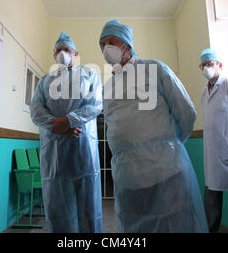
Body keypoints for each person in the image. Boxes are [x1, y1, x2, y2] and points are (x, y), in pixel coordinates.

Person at [99, 20, 208, 233]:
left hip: (165, 169)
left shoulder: (154, 69)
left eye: (112, 41)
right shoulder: (109, 86)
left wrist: (168, 145)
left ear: (127, 45)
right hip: (127, 174)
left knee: (174, 225)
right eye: (102, 44)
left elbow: (186, 112)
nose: (106, 48)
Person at [31, 31, 103, 233]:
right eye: (59, 50)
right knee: (57, 206)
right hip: (54, 153)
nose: (63, 53)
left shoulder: (90, 75)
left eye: (67, 50)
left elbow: (96, 105)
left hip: (83, 150)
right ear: (54, 55)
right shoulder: (45, 81)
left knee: (88, 207)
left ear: (75, 53)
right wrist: (61, 128)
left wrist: (69, 120)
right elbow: (36, 112)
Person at [199, 48, 228, 233]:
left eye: (210, 64)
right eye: (203, 65)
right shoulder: (203, 94)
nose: (206, 67)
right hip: (212, 155)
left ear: (219, 66)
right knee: (211, 201)